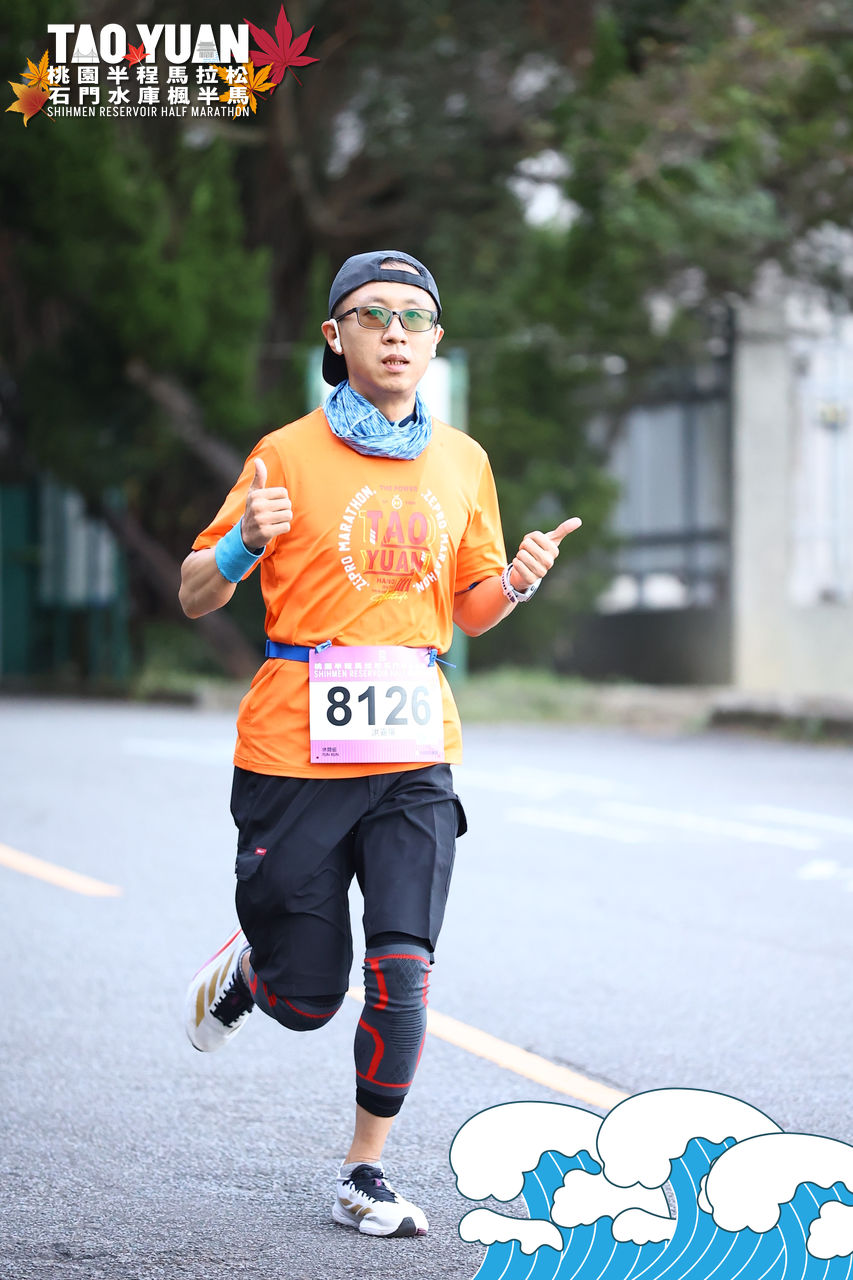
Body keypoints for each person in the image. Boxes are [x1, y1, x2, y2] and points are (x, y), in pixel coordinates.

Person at [179, 249, 581, 1239]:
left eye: (413, 316)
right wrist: (241, 543)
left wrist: (516, 580)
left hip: (412, 750)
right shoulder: (283, 455)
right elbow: (193, 593)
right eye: (371, 315)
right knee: (309, 999)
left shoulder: (463, 461)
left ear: (436, 339)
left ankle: (365, 1170)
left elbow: (471, 609)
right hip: (294, 753)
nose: (394, 332)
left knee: (404, 971)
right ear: (335, 335)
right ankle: (257, 973)